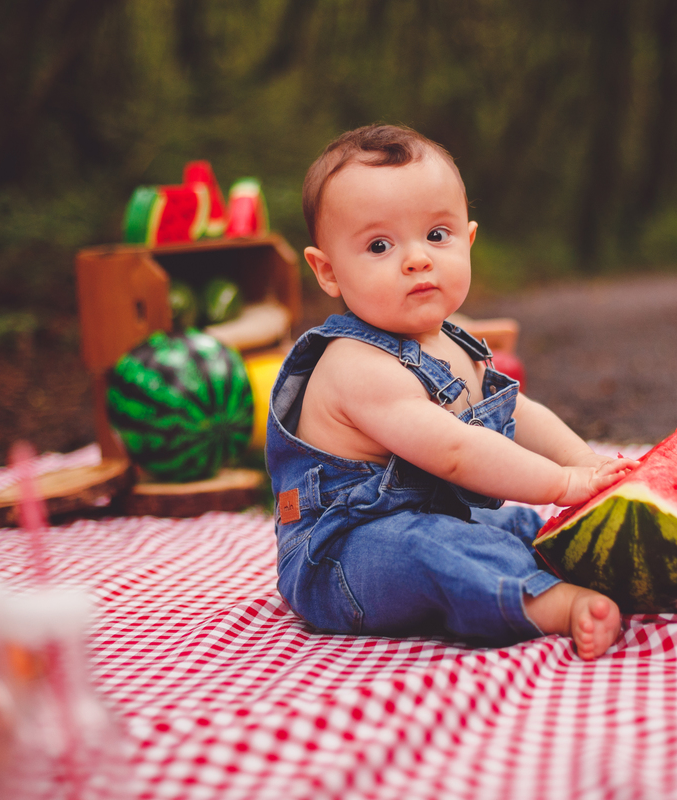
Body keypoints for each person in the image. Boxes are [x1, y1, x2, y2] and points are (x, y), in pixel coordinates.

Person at [265, 124, 635, 659]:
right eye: (379, 245)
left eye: (437, 236)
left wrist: (585, 463)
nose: (417, 259)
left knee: (514, 523)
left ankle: (584, 563)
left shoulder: (453, 342)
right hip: (342, 555)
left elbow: (520, 413)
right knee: (431, 549)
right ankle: (543, 602)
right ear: (328, 272)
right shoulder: (356, 365)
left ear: (468, 240)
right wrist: (561, 481)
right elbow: (456, 452)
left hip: (431, 513)